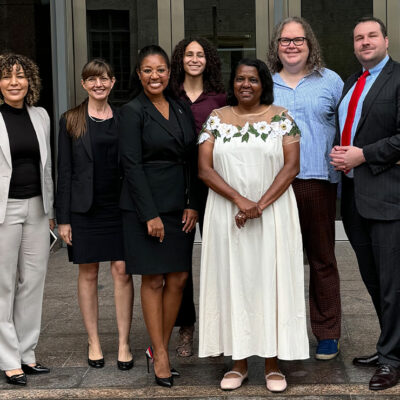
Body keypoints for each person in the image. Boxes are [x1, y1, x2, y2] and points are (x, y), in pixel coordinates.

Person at [198, 58, 309, 393]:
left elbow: (292, 168)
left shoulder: (282, 118)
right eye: (239, 79)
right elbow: (204, 169)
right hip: (227, 214)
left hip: (273, 213)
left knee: (270, 281)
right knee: (233, 281)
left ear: (264, 83)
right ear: (232, 84)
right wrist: (240, 200)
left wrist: (259, 205)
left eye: (253, 79)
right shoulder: (216, 119)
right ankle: (239, 362)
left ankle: (273, 363)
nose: (245, 85)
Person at [119, 45, 199, 388]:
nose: (156, 76)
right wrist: (149, 214)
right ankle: (162, 356)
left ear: (170, 73)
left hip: (179, 207)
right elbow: (131, 166)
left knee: (179, 278)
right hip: (145, 207)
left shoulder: (181, 108)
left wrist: (193, 202)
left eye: (162, 70)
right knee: (153, 280)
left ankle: (159, 345)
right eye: (148, 70)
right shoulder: (132, 111)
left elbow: (193, 159)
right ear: (139, 74)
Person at [267, 16, 343, 360]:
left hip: (317, 182)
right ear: (276, 46)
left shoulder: (331, 82)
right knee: (276, 261)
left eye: (298, 40)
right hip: (275, 186)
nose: (292, 45)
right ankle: (280, 329)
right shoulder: (266, 85)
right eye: (285, 40)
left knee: (322, 260)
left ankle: (327, 333)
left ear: (309, 43)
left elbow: (348, 127)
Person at [330, 17, 400, 391]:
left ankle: (392, 360)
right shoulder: (351, 82)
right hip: (354, 197)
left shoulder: (398, 78)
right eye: (358, 38)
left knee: (392, 283)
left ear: (386, 40)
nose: (365, 42)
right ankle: (390, 343)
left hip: (388, 197)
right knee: (373, 281)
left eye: (372, 36)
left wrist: (363, 155)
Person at [56, 59, 134, 371]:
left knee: (122, 271)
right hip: (83, 209)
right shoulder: (70, 119)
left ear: (113, 82)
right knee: (88, 273)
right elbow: (65, 171)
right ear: (83, 84)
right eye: (92, 79)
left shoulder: (124, 118)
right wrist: (63, 218)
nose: (98, 84)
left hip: (118, 206)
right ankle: (94, 341)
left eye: (104, 78)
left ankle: (124, 342)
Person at [170, 37, 226, 357]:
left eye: (200, 54)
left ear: (209, 60)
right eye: (189, 54)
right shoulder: (169, 95)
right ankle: (186, 327)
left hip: (212, 184)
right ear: (181, 59)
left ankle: (218, 327)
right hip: (178, 186)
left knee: (217, 256)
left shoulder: (220, 99)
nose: (194, 59)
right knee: (182, 262)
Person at [0, 53, 54, 385]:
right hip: (3, 209)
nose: (14, 82)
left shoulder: (41, 116)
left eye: (20, 76)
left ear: (30, 81)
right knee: (3, 285)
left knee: (33, 283)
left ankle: (26, 353)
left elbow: (47, 167)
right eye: (7, 76)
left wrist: (51, 212)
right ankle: (8, 358)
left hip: (37, 207)